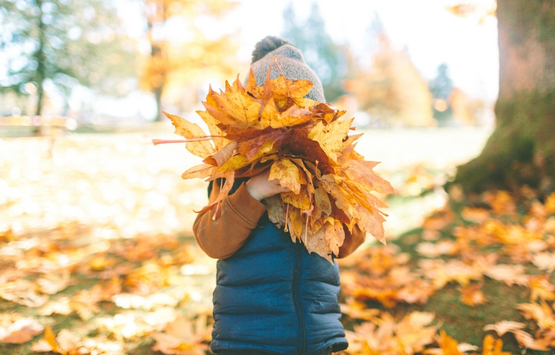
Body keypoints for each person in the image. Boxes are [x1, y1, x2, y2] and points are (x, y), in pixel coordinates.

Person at [193, 36, 366, 355]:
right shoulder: (233, 174)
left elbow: (349, 243)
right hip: (247, 337)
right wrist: (253, 191)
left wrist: (338, 196)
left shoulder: (324, 176)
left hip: (316, 334)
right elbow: (211, 240)